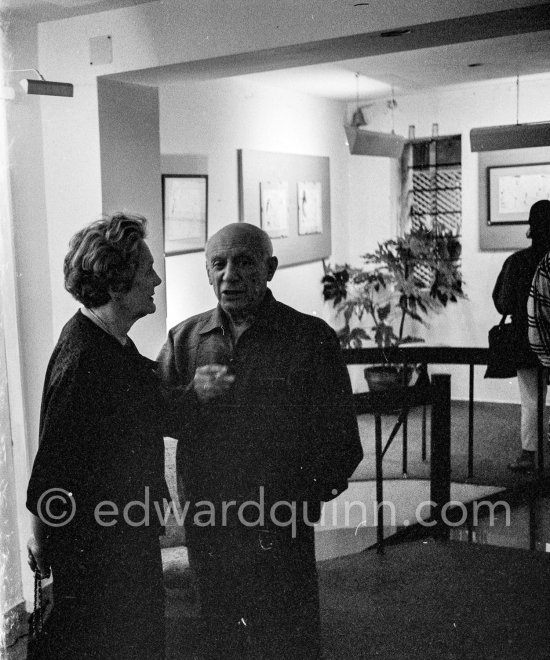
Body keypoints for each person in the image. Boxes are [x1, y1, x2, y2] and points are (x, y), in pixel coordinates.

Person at [157, 222, 363, 659]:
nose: (229, 275)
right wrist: (191, 396)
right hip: (210, 521)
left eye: (243, 262)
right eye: (218, 264)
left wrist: (302, 498)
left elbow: (343, 441)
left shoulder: (309, 338)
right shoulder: (184, 340)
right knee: (219, 634)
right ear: (207, 273)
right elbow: (155, 415)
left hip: (280, 522)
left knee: (287, 636)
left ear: (270, 268)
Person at [26, 213, 171, 659]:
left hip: (118, 538)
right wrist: (40, 539)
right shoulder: (86, 360)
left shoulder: (106, 341)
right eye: (147, 270)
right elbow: (51, 467)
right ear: (115, 283)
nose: (157, 280)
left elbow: (143, 385)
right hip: (101, 553)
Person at [492, 199, 550, 471]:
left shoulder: (516, 261)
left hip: (526, 341)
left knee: (530, 398)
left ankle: (529, 453)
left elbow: (502, 302)